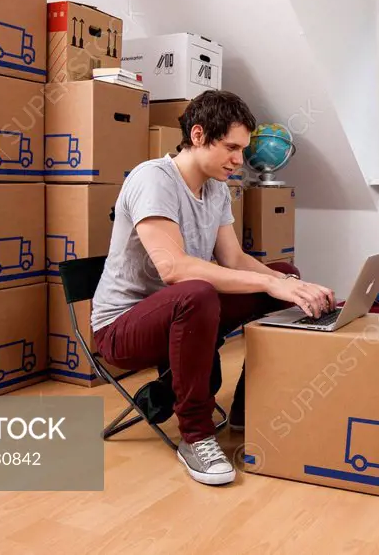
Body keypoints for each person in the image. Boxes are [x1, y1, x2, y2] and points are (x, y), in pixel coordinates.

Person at [91, 89, 335, 486]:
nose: (240, 160)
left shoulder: (217, 187)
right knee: (198, 290)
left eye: (243, 148)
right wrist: (271, 285)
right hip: (121, 329)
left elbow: (235, 259)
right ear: (200, 135)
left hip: (182, 312)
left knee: (282, 272)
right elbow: (173, 269)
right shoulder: (153, 179)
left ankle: (247, 409)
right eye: (232, 147)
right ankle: (196, 435)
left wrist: (291, 284)